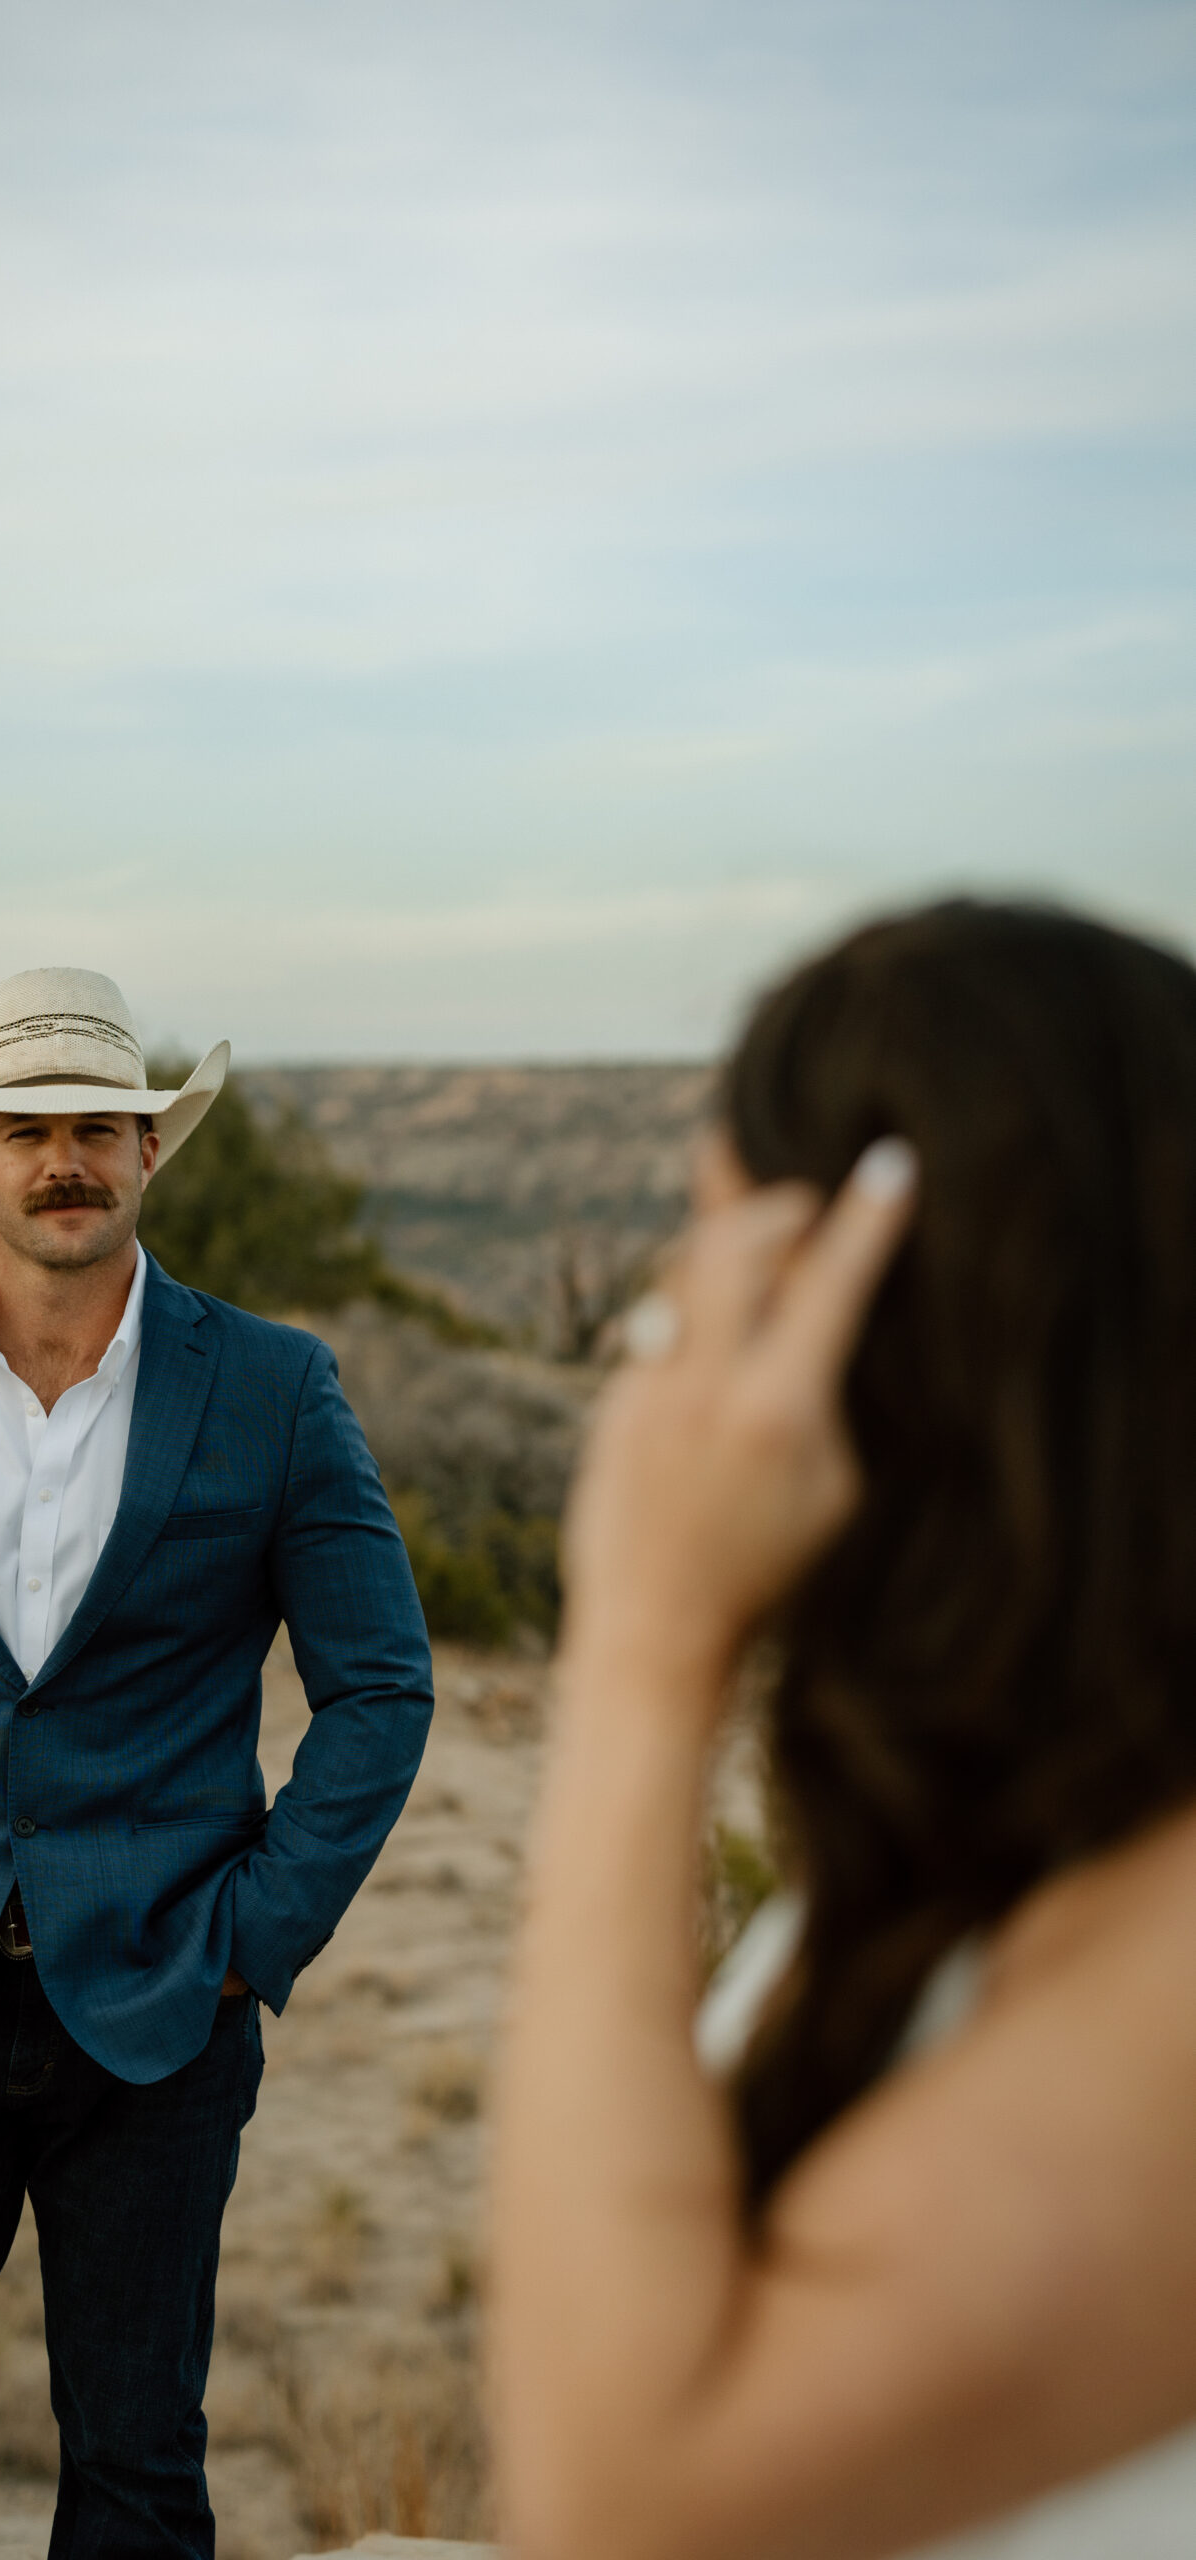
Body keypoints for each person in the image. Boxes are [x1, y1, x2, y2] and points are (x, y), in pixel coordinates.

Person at [491, 901, 1196, 2560]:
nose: (683, 1361)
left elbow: (625, 2499)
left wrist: (647, 1648)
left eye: (736, 1284)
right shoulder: (1026, 1839)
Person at [0, 965, 433, 2560]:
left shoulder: (271, 1384)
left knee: (135, 2478)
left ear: (149, 1151)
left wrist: (256, 1936)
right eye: (25, 1127)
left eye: (96, 1126)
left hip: (164, 2015)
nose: (64, 1160)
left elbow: (379, 1685)